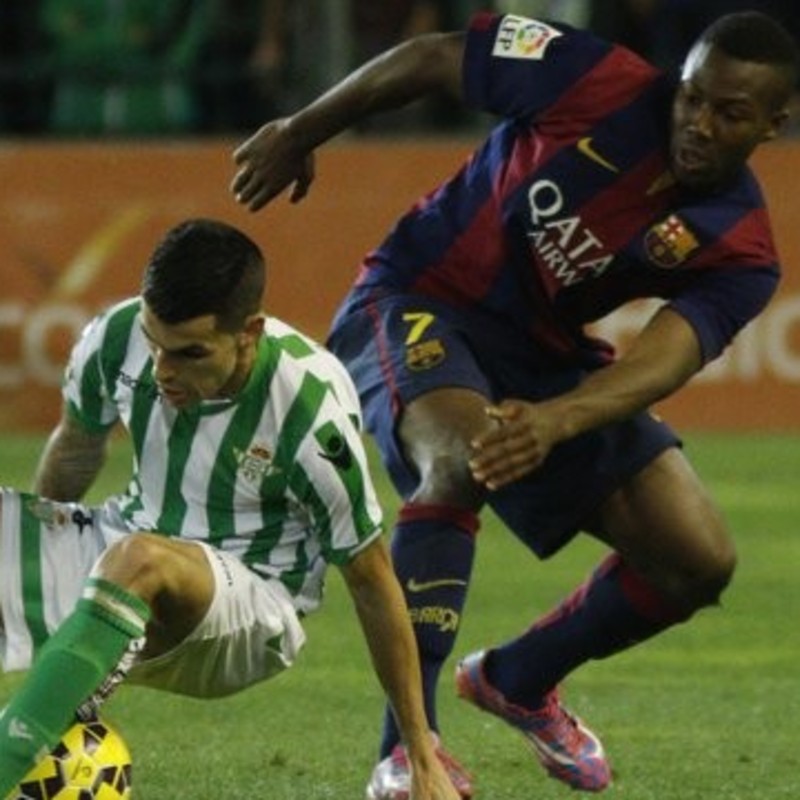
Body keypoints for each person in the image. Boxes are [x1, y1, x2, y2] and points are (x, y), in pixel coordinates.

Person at [230, 8, 799, 798]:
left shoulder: (741, 247)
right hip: (418, 297)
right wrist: (301, 129)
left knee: (697, 558)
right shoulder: (595, 76)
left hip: (543, 357)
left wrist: (557, 419)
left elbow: (663, 359)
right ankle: (408, 754)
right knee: (461, 460)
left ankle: (517, 679)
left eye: (729, 113)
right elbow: (433, 57)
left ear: (774, 123)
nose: (699, 123)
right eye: (692, 97)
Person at [0, 219, 463, 800]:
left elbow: (370, 577)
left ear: (249, 333)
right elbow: (75, 446)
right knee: (123, 553)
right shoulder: (116, 336)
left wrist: (419, 751)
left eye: (189, 353)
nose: (163, 369)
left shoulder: (310, 411)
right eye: (154, 343)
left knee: (140, 559)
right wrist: (32, 565)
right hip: (129, 543)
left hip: (253, 607)